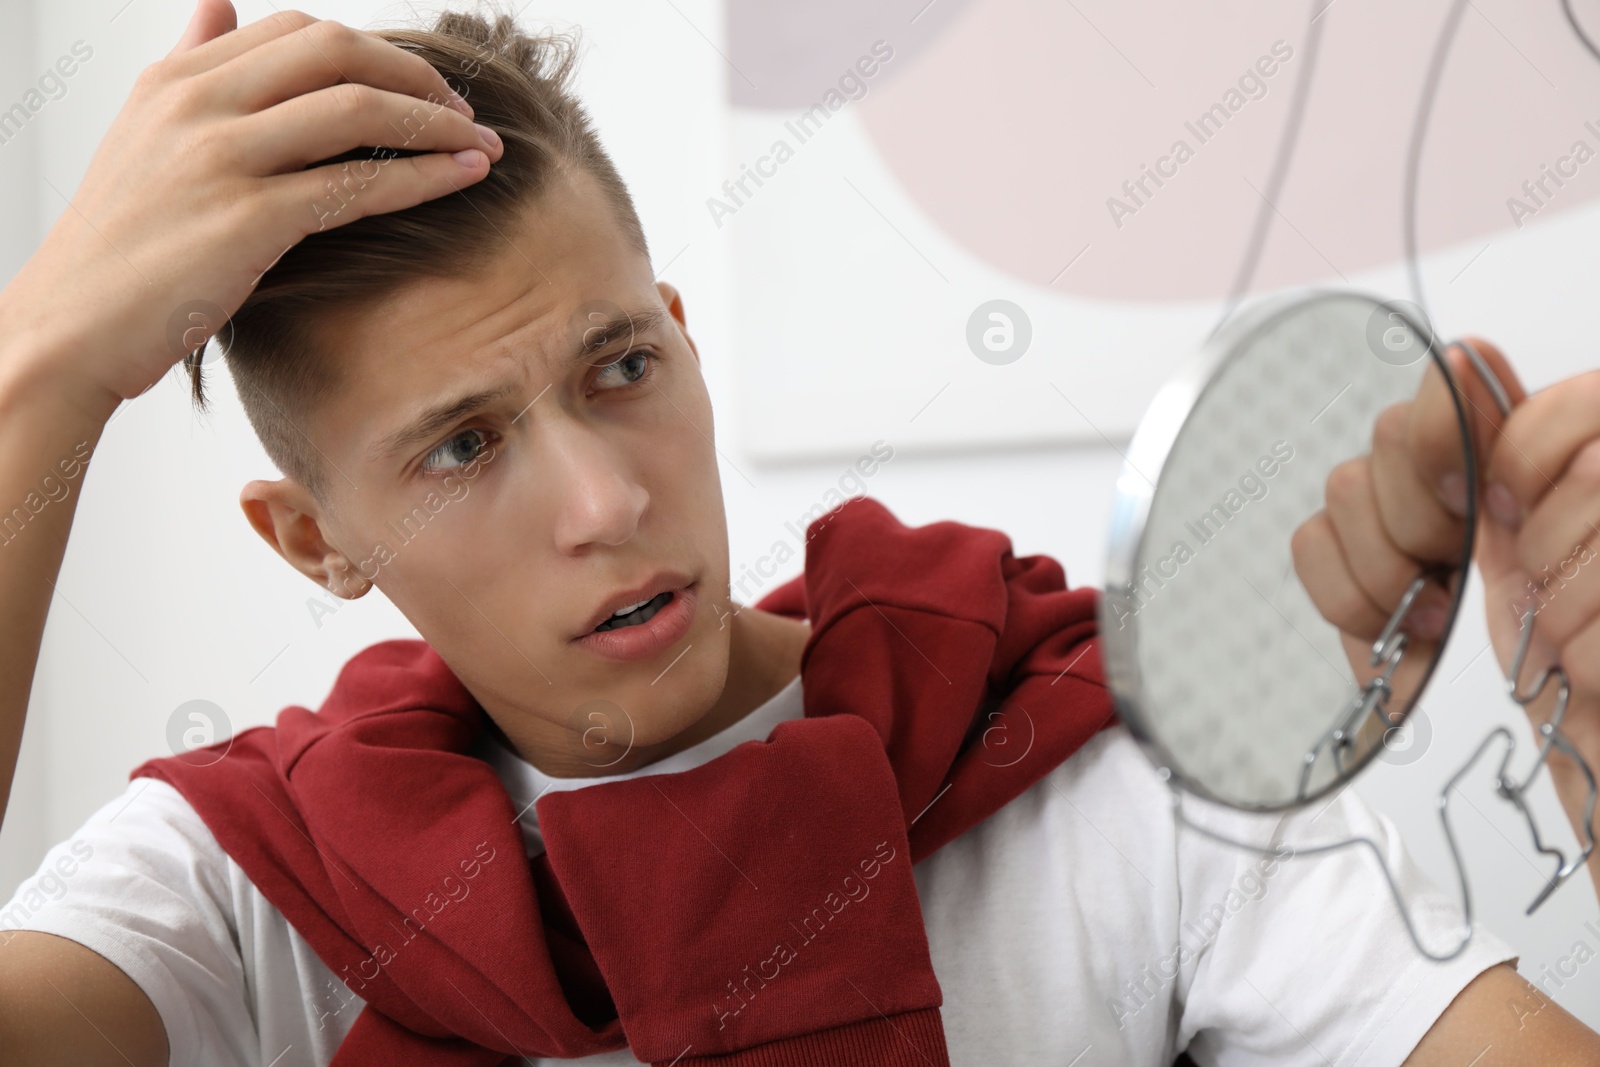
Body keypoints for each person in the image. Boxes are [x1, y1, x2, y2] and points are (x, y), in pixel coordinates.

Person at [0, 2, 1595, 1064]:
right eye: (464, 446)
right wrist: (40, 377)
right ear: (311, 542)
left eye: (620, 369)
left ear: (684, 339)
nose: (607, 501)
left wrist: (1587, 732)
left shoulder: (1108, 764)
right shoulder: (241, 892)